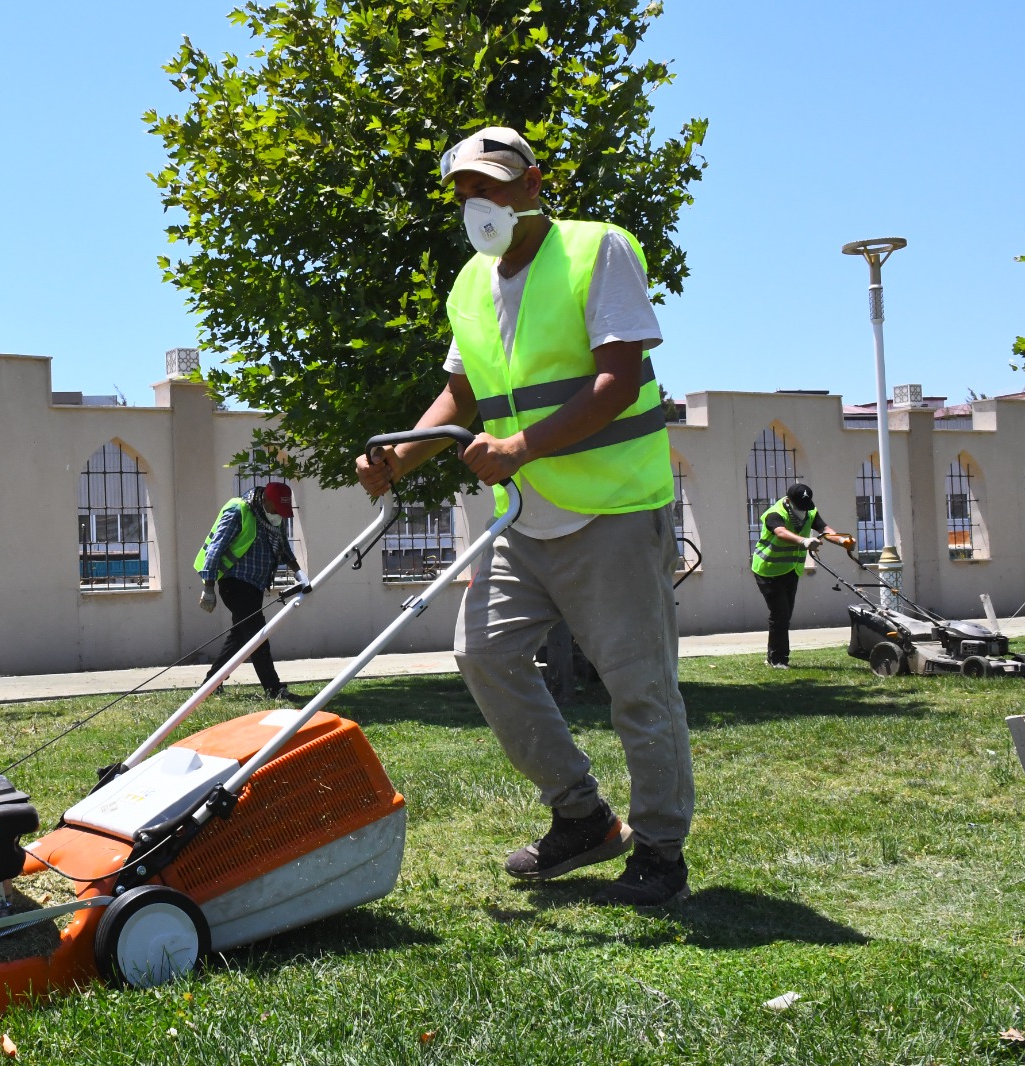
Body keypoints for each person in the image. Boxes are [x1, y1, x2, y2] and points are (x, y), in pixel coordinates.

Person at [355, 126, 693, 906]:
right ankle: (581, 817)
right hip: (524, 519)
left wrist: (521, 447)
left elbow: (617, 379)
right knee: (482, 654)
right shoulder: (470, 284)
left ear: (533, 183)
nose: (480, 201)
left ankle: (662, 850)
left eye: (494, 184)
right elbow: (462, 393)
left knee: (639, 688)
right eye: (466, 190)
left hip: (612, 506)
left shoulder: (597, 249)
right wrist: (401, 456)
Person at [196, 482, 305, 702]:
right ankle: (274, 689)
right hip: (234, 583)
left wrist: (299, 573)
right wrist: (208, 587)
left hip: (256, 585)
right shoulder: (239, 510)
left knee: (240, 636)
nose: (278, 516)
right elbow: (216, 548)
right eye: (276, 510)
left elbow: (283, 545)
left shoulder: (275, 517)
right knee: (257, 635)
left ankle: (210, 684)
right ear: (266, 500)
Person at [750, 482, 855, 669]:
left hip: (791, 569)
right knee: (780, 613)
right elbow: (781, 532)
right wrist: (804, 541)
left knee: (785, 613)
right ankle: (778, 660)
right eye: (799, 506)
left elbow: (824, 530)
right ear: (789, 501)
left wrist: (841, 540)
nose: (803, 510)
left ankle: (774, 657)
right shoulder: (775, 513)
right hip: (768, 569)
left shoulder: (809, 510)